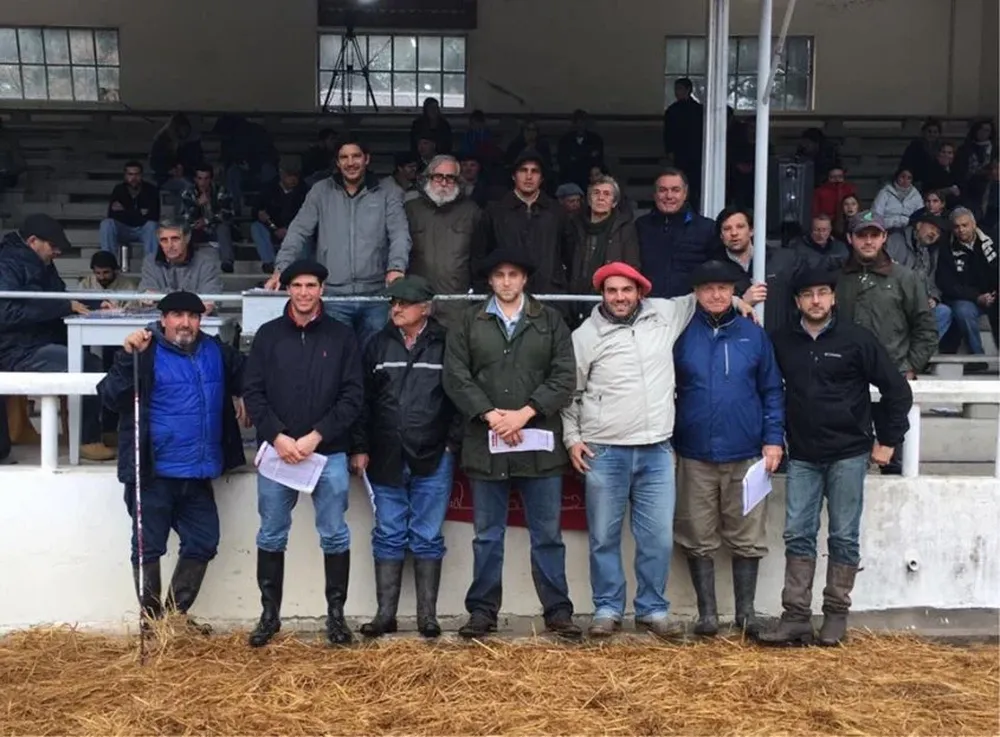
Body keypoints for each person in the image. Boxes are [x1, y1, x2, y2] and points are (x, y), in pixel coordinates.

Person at [562, 261, 755, 638]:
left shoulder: (665, 314)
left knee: (657, 538)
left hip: (656, 450)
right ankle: (607, 607)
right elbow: (572, 391)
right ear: (602, 294)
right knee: (604, 536)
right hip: (605, 449)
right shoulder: (585, 336)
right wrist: (572, 437)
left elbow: (705, 295)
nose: (619, 297)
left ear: (640, 292)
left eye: (626, 290)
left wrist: (736, 300)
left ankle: (652, 608)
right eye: (611, 291)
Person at [759, 268, 913, 646]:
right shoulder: (780, 341)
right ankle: (795, 616)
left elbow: (897, 391)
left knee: (843, 536)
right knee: (798, 533)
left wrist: (888, 441)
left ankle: (835, 615)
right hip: (803, 455)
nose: (816, 301)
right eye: (808, 294)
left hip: (848, 453)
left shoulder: (857, 339)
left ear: (834, 298)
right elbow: (765, 389)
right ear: (797, 302)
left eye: (823, 293)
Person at [443, 248, 580, 640]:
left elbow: (563, 377)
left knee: (548, 536)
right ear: (490, 280)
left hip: (537, 443)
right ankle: (482, 612)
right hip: (487, 443)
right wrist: (490, 415)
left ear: (525, 280)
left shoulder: (550, 321)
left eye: (513, 275)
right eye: (499, 275)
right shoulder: (469, 322)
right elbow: (456, 376)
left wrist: (524, 413)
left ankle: (558, 612)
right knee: (487, 535)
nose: (506, 281)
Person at [97, 290, 247, 630]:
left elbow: (252, 376)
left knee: (204, 540)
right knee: (148, 548)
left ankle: (174, 620)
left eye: (192, 316)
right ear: (163, 319)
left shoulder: (215, 351)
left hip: (197, 473)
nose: (185, 323)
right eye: (177, 315)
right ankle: (152, 624)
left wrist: (242, 394)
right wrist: (125, 357)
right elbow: (109, 397)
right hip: (153, 473)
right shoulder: (143, 351)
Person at [243, 260, 365, 648]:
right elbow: (254, 392)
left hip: (326, 453)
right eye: (297, 285)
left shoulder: (342, 336)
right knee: (271, 533)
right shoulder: (267, 335)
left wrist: (317, 436)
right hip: (278, 454)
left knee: (334, 534)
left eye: (311, 285)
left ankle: (336, 617)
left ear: (322, 290)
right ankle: (269, 616)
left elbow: (353, 396)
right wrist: (277, 436)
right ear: (287, 290)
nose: (304, 293)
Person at [673, 261, 784, 639]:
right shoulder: (681, 335)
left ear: (733, 292)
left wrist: (772, 439)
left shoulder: (753, 335)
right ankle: (708, 615)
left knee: (747, 533)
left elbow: (772, 390)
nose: (716, 295)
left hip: (747, 452)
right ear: (697, 293)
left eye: (723, 288)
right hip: (694, 452)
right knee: (697, 533)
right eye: (708, 288)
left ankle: (746, 614)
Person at [349, 276, 460, 639]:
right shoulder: (377, 344)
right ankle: (386, 616)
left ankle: (427, 617)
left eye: (405, 303)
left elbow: (462, 397)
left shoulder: (448, 344)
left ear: (425, 308)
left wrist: (452, 444)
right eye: (393, 302)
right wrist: (360, 446)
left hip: (433, 453)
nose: (395, 308)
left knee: (427, 535)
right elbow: (362, 401)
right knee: (388, 533)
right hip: (385, 454)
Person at [268, 139, 412, 347]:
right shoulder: (320, 191)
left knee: (374, 361)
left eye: (356, 156)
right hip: (334, 295)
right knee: (336, 362)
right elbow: (299, 231)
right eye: (344, 157)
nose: (350, 162)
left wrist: (396, 267)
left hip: (376, 295)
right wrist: (281, 268)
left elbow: (399, 233)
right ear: (337, 162)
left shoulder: (386, 192)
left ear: (367, 159)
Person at [0, 214, 116, 462]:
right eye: (53, 246)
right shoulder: (6, 264)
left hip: (39, 341)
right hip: (17, 349)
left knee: (94, 360)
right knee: (88, 365)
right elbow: (6, 313)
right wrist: (63, 308)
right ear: (33, 241)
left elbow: (61, 298)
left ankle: (100, 431)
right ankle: (88, 440)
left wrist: (96, 303)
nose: (57, 252)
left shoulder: (41, 261)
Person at [838, 210, 938, 381]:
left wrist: (911, 367)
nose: (868, 241)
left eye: (874, 235)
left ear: (884, 237)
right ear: (850, 238)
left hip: (894, 374)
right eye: (862, 235)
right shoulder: (837, 278)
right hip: (846, 376)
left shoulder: (905, 277)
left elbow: (926, 329)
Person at [473, 150, 571, 298]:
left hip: (550, 295)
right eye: (523, 170)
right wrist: (487, 289)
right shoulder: (495, 212)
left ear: (542, 178)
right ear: (514, 175)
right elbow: (480, 255)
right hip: (506, 295)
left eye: (535, 171)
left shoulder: (557, 212)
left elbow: (569, 254)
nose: (529, 176)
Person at [404, 154, 480, 331]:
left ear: (458, 181)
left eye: (450, 178)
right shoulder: (410, 210)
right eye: (438, 177)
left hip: (456, 303)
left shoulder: (472, 212)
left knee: (455, 355)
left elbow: (479, 257)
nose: (444, 182)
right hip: (417, 300)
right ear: (427, 178)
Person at [636, 168, 720, 298]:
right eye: (663, 190)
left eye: (675, 190)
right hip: (648, 305)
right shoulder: (640, 226)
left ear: (685, 194)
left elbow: (719, 271)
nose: (669, 196)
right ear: (654, 195)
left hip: (692, 309)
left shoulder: (707, 228)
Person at [566, 175, 640, 309]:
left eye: (607, 194)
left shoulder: (625, 229)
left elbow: (632, 267)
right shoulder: (575, 226)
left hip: (609, 300)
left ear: (614, 202)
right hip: (575, 297)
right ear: (589, 200)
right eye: (596, 193)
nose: (601, 198)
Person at [937, 207, 999, 357]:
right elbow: (946, 283)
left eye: (965, 225)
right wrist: (977, 297)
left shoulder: (992, 240)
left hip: (994, 294)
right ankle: (978, 357)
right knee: (963, 310)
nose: (961, 230)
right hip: (966, 298)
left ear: (974, 224)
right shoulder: (946, 247)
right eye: (957, 226)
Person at [886, 212, 952, 340]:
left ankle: (921, 351)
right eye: (932, 228)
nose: (934, 234)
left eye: (938, 233)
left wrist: (934, 298)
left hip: (917, 304)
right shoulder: (896, 240)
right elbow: (884, 269)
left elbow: (932, 282)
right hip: (895, 300)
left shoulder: (930, 253)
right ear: (919, 225)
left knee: (943, 312)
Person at [138, 219, 224, 310]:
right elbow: (147, 300)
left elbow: (210, 302)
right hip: (160, 319)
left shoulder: (206, 263)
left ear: (187, 238)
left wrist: (162, 297)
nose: (170, 245)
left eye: (175, 239)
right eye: (164, 240)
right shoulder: (150, 262)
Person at [213, 114, 279, 214]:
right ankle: (236, 207)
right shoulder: (228, 138)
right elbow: (225, 159)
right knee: (232, 172)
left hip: (261, 171)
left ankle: (266, 205)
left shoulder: (256, 131)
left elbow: (271, 155)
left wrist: (253, 165)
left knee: (268, 170)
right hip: (243, 173)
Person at [251, 159, 307, 274]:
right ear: (281, 174)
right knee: (256, 227)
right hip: (272, 228)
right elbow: (256, 211)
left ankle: (301, 265)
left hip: (295, 231)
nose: (293, 179)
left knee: (307, 235)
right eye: (289, 175)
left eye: (295, 175)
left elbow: (308, 217)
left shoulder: (305, 191)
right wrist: (273, 227)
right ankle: (270, 262)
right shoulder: (269, 188)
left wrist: (289, 230)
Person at [180, 163, 237, 272]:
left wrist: (207, 220)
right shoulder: (188, 193)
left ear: (211, 179)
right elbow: (185, 217)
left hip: (216, 229)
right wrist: (197, 205)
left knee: (223, 227)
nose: (203, 183)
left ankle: (227, 262)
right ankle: (184, 261)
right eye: (200, 178)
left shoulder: (221, 191)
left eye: (206, 179)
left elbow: (227, 213)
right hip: (197, 230)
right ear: (195, 179)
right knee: (185, 229)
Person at [98, 160, 160, 258]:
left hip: (143, 230)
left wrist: (125, 211)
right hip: (124, 229)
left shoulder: (151, 190)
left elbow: (154, 216)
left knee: (152, 226)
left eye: (136, 174)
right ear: (125, 175)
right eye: (130, 174)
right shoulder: (119, 189)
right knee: (107, 224)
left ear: (141, 175)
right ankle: (108, 262)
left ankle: (152, 264)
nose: (133, 178)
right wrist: (139, 213)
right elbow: (112, 215)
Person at [662, 77, 704, 207]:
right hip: (680, 152)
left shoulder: (699, 110)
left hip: (696, 152)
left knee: (695, 184)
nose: (676, 92)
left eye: (679, 89)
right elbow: (667, 132)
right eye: (676, 89)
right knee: (680, 180)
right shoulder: (672, 110)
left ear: (688, 90)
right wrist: (669, 150)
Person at [149, 113, 201, 190]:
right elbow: (155, 164)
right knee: (188, 187)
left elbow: (195, 159)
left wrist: (183, 167)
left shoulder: (190, 141)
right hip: (166, 177)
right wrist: (170, 170)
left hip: (186, 173)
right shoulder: (162, 141)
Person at [557, 109, 604, 192]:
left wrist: (577, 158)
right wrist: (587, 156)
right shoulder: (565, 140)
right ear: (573, 123)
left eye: (582, 122)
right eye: (577, 122)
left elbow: (598, 162)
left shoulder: (595, 140)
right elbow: (564, 162)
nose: (580, 125)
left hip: (590, 179)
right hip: (570, 178)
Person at [899, 117, 942, 187]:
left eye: (935, 132)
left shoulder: (941, 148)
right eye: (929, 131)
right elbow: (907, 166)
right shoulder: (914, 147)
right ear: (924, 132)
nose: (932, 134)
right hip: (917, 182)